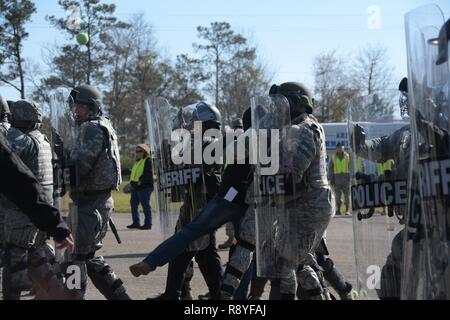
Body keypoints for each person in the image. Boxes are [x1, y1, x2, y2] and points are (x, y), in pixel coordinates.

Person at [1, 100, 75, 299]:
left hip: (21, 213)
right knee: (39, 257)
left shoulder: (17, 138)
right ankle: (58, 293)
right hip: (39, 209)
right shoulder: (42, 139)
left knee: (15, 263)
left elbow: (12, 173)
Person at [63, 84, 130, 300]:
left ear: (91, 107)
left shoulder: (90, 128)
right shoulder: (104, 125)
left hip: (90, 204)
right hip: (98, 203)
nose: (75, 111)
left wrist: (62, 156)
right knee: (90, 258)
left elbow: (80, 167)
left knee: (77, 258)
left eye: (79, 107)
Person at [218, 117, 244, 250]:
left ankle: (235, 239)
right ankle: (232, 238)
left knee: (229, 208)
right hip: (232, 181)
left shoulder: (240, 138)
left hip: (234, 184)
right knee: (230, 210)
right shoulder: (233, 139)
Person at [127, 144, 154, 230]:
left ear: (145, 151)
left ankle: (148, 224)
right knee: (134, 205)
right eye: (136, 151)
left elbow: (148, 173)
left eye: (140, 151)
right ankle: (136, 223)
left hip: (144, 187)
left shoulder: (148, 160)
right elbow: (135, 173)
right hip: (135, 187)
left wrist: (140, 181)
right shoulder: (137, 161)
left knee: (146, 206)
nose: (137, 153)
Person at [328, 142, 351, 215]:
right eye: (338, 148)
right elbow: (330, 169)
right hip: (336, 179)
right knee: (337, 196)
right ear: (336, 149)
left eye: (341, 148)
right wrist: (331, 179)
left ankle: (347, 210)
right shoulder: (333, 157)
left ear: (343, 148)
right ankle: (338, 210)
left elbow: (351, 167)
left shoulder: (347, 156)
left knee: (347, 195)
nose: (340, 149)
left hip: (346, 178)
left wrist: (351, 177)